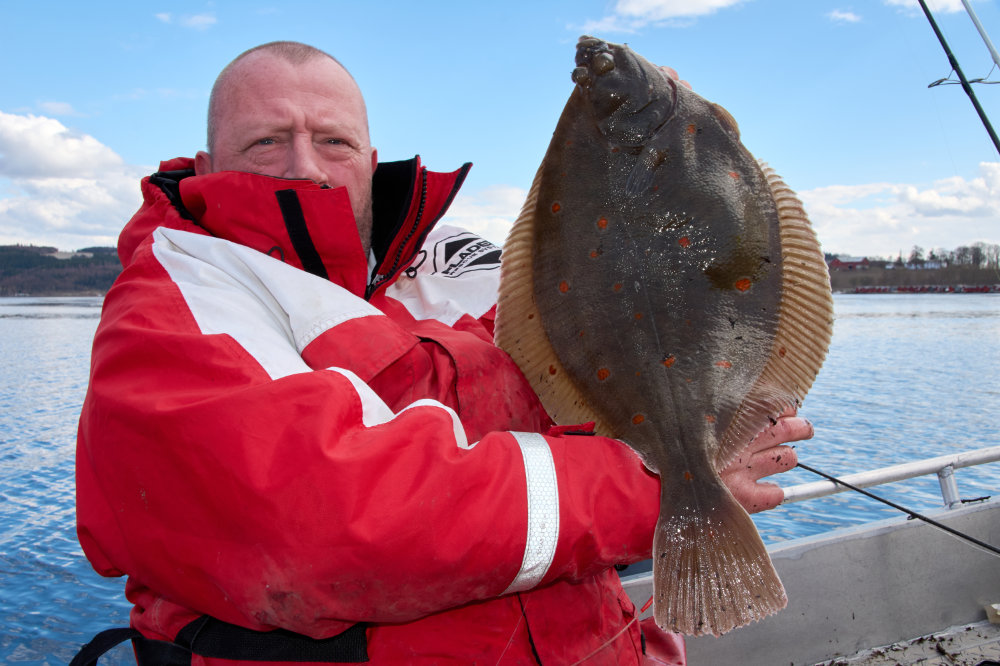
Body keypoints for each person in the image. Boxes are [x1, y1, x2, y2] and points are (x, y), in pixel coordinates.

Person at [74, 41, 810, 665]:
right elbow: (330, 529)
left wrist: (684, 167)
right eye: (266, 140)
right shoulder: (173, 299)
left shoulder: (450, 265)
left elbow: (613, 334)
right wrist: (657, 492)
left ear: (369, 155)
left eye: (333, 140)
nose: (306, 167)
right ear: (209, 160)